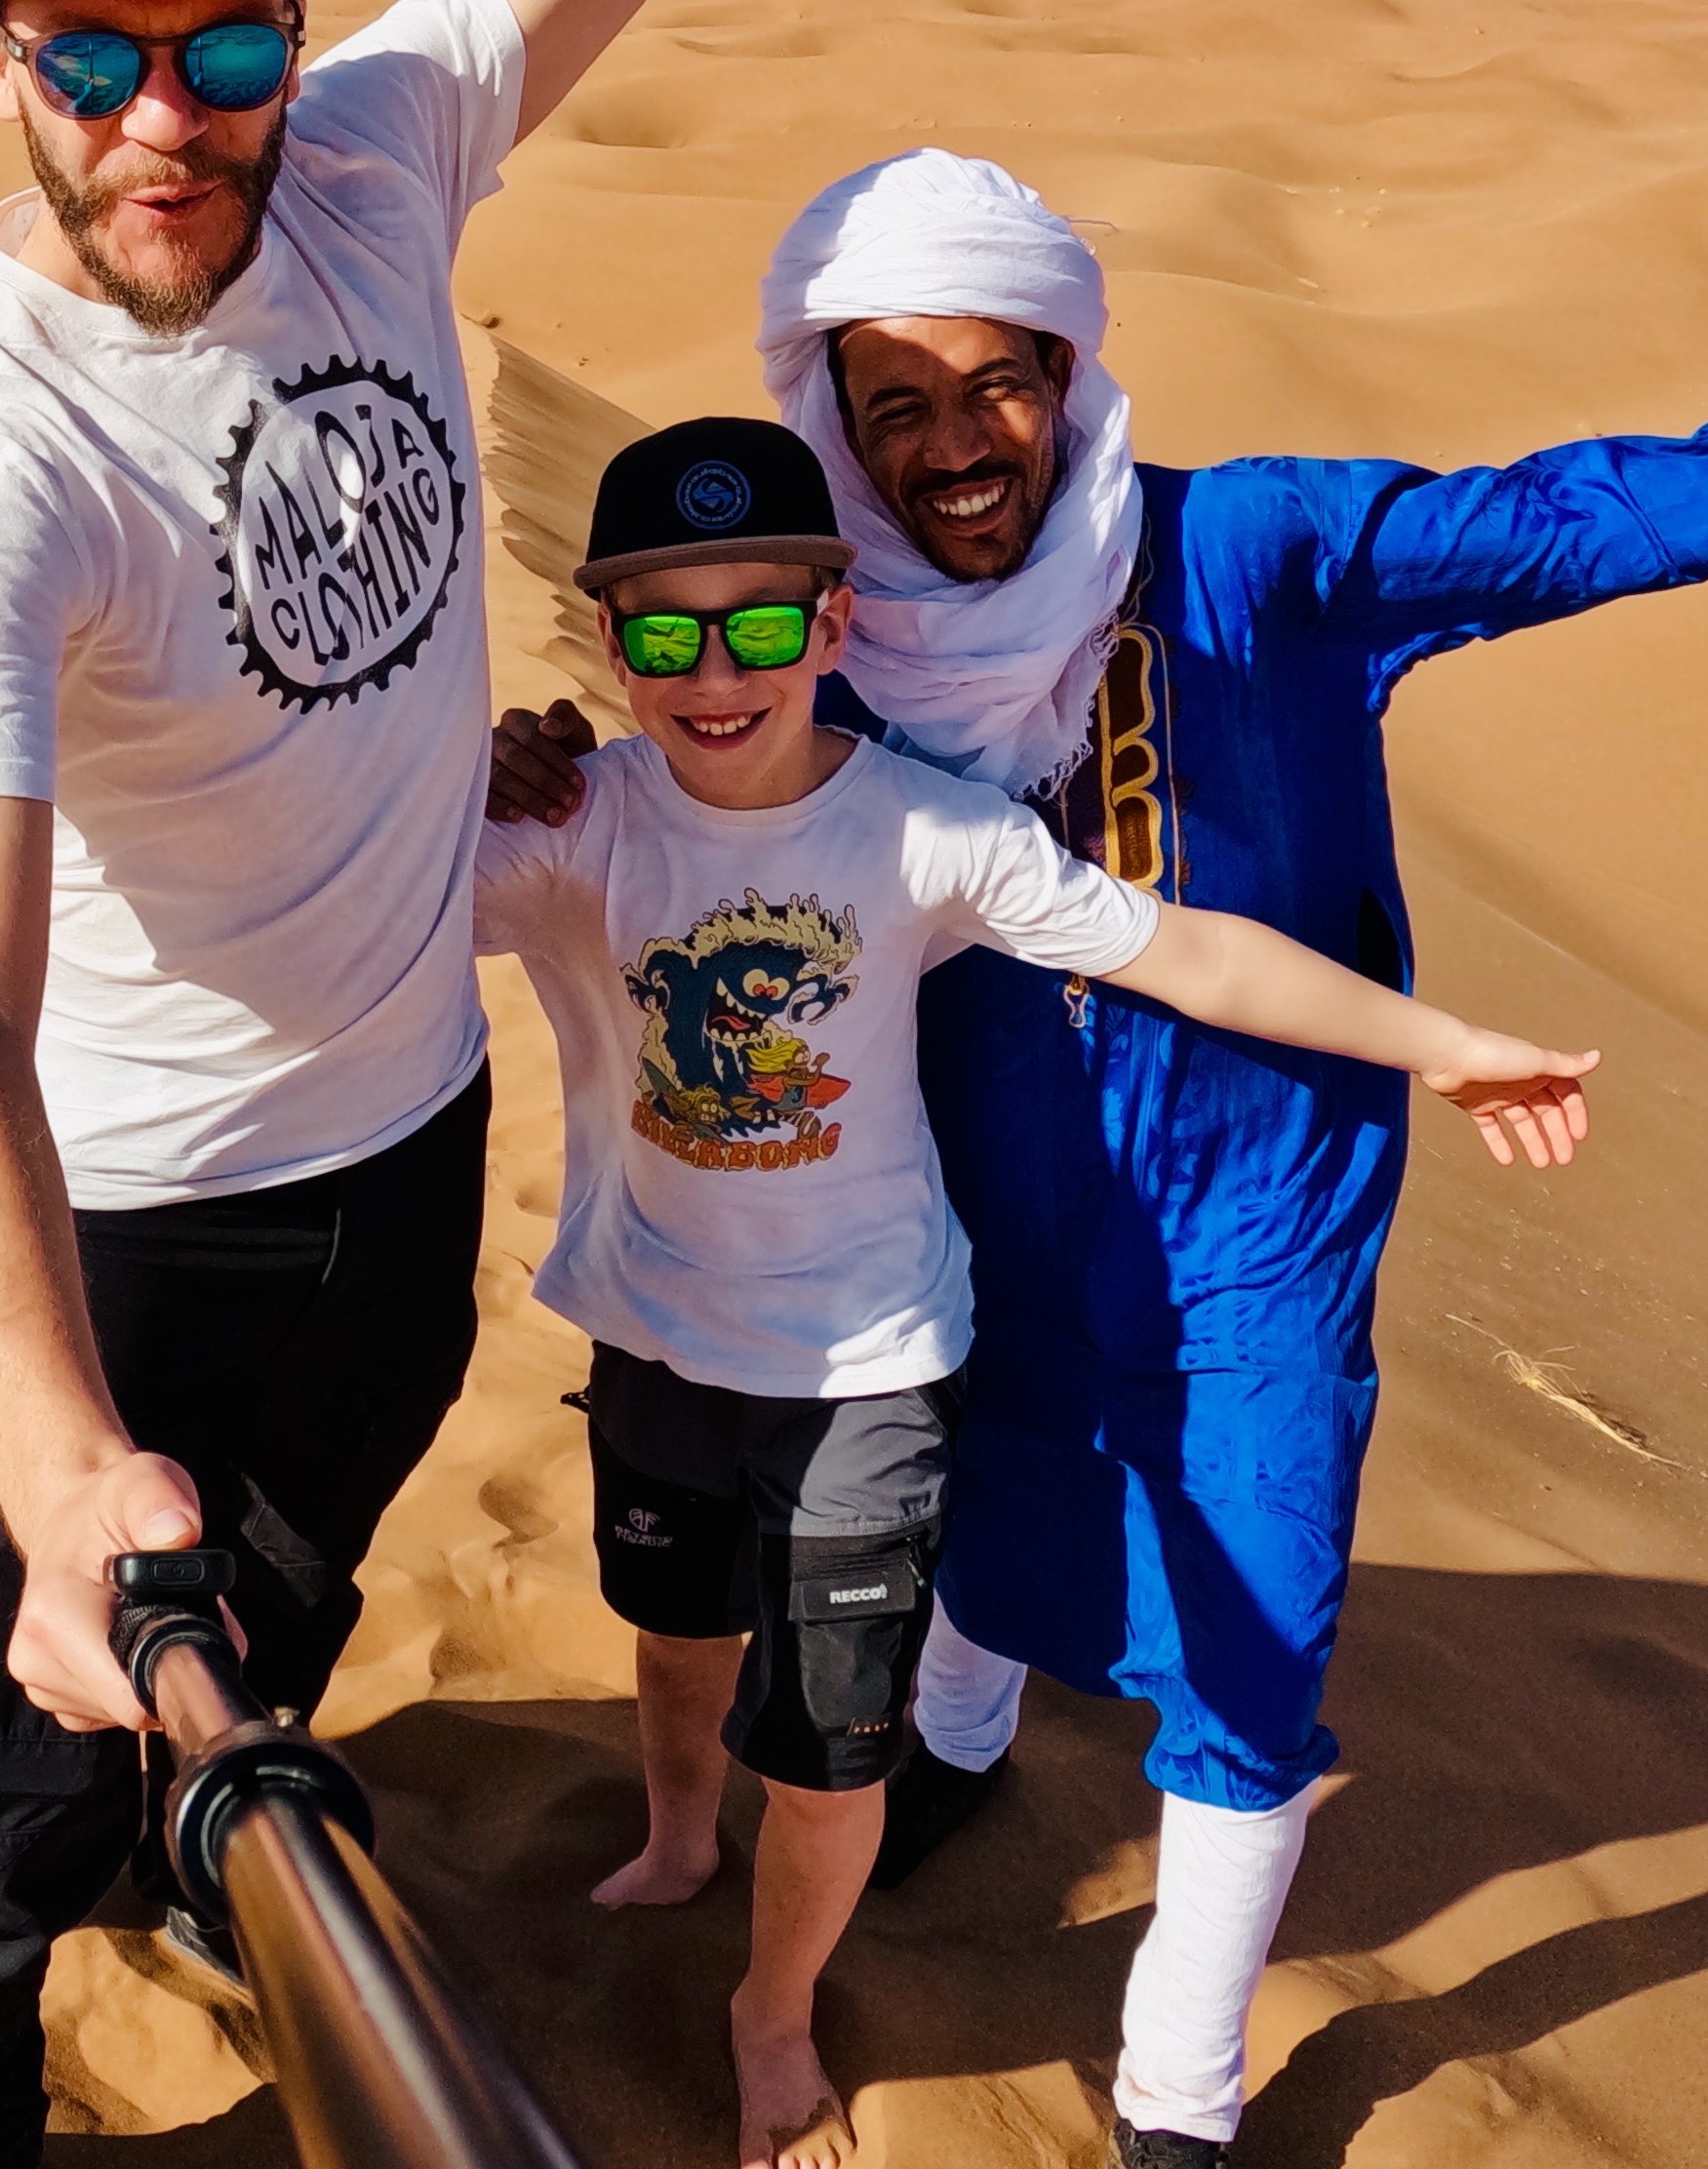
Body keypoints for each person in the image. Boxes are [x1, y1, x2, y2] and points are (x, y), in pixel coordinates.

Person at [489, 148, 1708, 2162]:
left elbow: (1590, 514)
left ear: (1066, 367)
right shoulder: (818, 633)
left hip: (1254, 1228)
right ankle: (951, 1757)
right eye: (897, 408)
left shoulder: (1262, 554)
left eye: (996, 385)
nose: (956, 445)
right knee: (981, 1513)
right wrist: (536, 759)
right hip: (967, 1212)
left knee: (1257, 1620)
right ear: (840, 431)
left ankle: (1179, 2092)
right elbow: (664, 771)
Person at [0, 0, 1026, 2169]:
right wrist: (55, 1443)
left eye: (221, 49)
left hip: (397, 1163)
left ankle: (155, 1814)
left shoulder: (372, 155)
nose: (168, 125)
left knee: (292, 1597)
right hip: (119, 1221)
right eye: (96, 66)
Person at [475, 416, 1594, 2169]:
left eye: (761, 624)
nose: (713, 670)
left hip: (869, 1368)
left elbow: (1188, 949)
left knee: (836, 1754)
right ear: (606, 642)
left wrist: (1442, 1045)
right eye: (665, 628)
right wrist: (456, 772)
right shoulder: (570, 832)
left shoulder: (921, 831)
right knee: (681, 1645)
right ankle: (680, 1836)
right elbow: (330, 898)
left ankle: (771, 2013)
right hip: (653, 1335)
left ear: (832, 631)